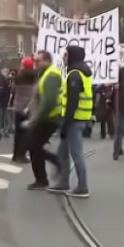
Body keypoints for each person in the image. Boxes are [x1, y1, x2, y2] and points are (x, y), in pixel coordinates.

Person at [49, 46, 92, 198]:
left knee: (76, 153)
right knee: (62, 151)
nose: (64, 57)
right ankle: (63, 181)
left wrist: (65, 123)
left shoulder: (74, 75)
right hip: (79, 118)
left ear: (72, 56)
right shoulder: (81, 72)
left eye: (66, 54)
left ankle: (82, 186)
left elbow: (72, 102)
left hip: (74, 119)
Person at [25, 51, 62, 190]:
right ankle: (42, 178)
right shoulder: (43, 74)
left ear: (47, 61)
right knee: (34, 146)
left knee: (34, 146)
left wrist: (34, 119)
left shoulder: (51, 75)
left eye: (38, 61)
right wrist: (30, 108)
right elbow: (39, 95)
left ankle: (43, 177)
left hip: (48, 117)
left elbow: (49, 102)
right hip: (44, 116)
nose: (36, 64)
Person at [10, 57, 36, 163]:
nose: (20, 66)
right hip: (28, 108)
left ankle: (16, 154)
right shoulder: (35, 77)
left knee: (18, 132)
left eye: (22, 64)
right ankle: (22, 154)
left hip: (18, 107)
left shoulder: (18, 78)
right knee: (26, 133)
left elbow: (13, 90)